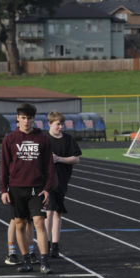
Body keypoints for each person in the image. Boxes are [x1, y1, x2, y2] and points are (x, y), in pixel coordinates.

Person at [0, 103, 54, 274]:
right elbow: (4, 166)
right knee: (20, 224)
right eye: (23, 118)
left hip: (36, 187)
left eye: (29, 118)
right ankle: (26, 261)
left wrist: (47, 188)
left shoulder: (43, 138)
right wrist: (3, 190)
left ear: (34, 119)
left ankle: (44, 261)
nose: (26, 121)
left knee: (39, 223)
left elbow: (49, 166)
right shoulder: (9, 139)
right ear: (17, 118)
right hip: (16, 187)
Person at [44, 110, 82, 258]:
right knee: (49, 211)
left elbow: (76, 159)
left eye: (62, 124)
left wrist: (59, 159)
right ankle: (45, 244)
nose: (60, 127)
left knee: (58, 212)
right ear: (49, 124)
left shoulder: (67, 139)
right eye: (57, 124)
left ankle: (55, 245)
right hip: (46, 181)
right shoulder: (44, 139)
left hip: (62, 180)